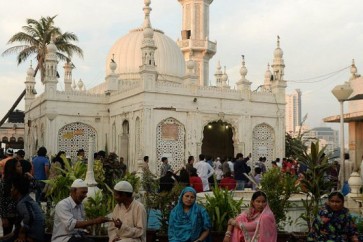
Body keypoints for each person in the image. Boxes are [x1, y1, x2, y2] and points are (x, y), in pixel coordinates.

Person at [11, 176, 45, 242]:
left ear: (17, 190)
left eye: (12, 187)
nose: (10, 190)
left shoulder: (22, 203)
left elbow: (29, 217)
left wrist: (22, 233)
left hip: (33, 236)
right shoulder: (26, 198)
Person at [0, 158, 23, 236]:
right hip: (8, 215)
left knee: (18, 236)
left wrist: (31, 178)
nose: (21, 168)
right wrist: (3, 217)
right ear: (13, 169)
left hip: (20, 214)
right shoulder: (4, 183)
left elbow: (34, 188)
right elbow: (2, 200)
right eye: (18, 166)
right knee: (7, 236)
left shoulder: (22, 180)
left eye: (20, 166)